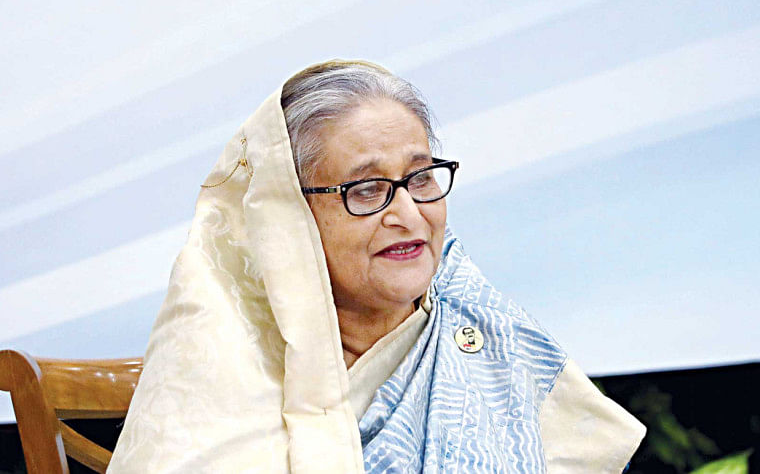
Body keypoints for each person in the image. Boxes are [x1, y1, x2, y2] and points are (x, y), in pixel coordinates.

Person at [108, 60, 645, 473]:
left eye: (421, 178)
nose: (409, 215)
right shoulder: (216, 365)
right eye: (367, 189)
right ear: (287, 218)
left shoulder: (487, 341)